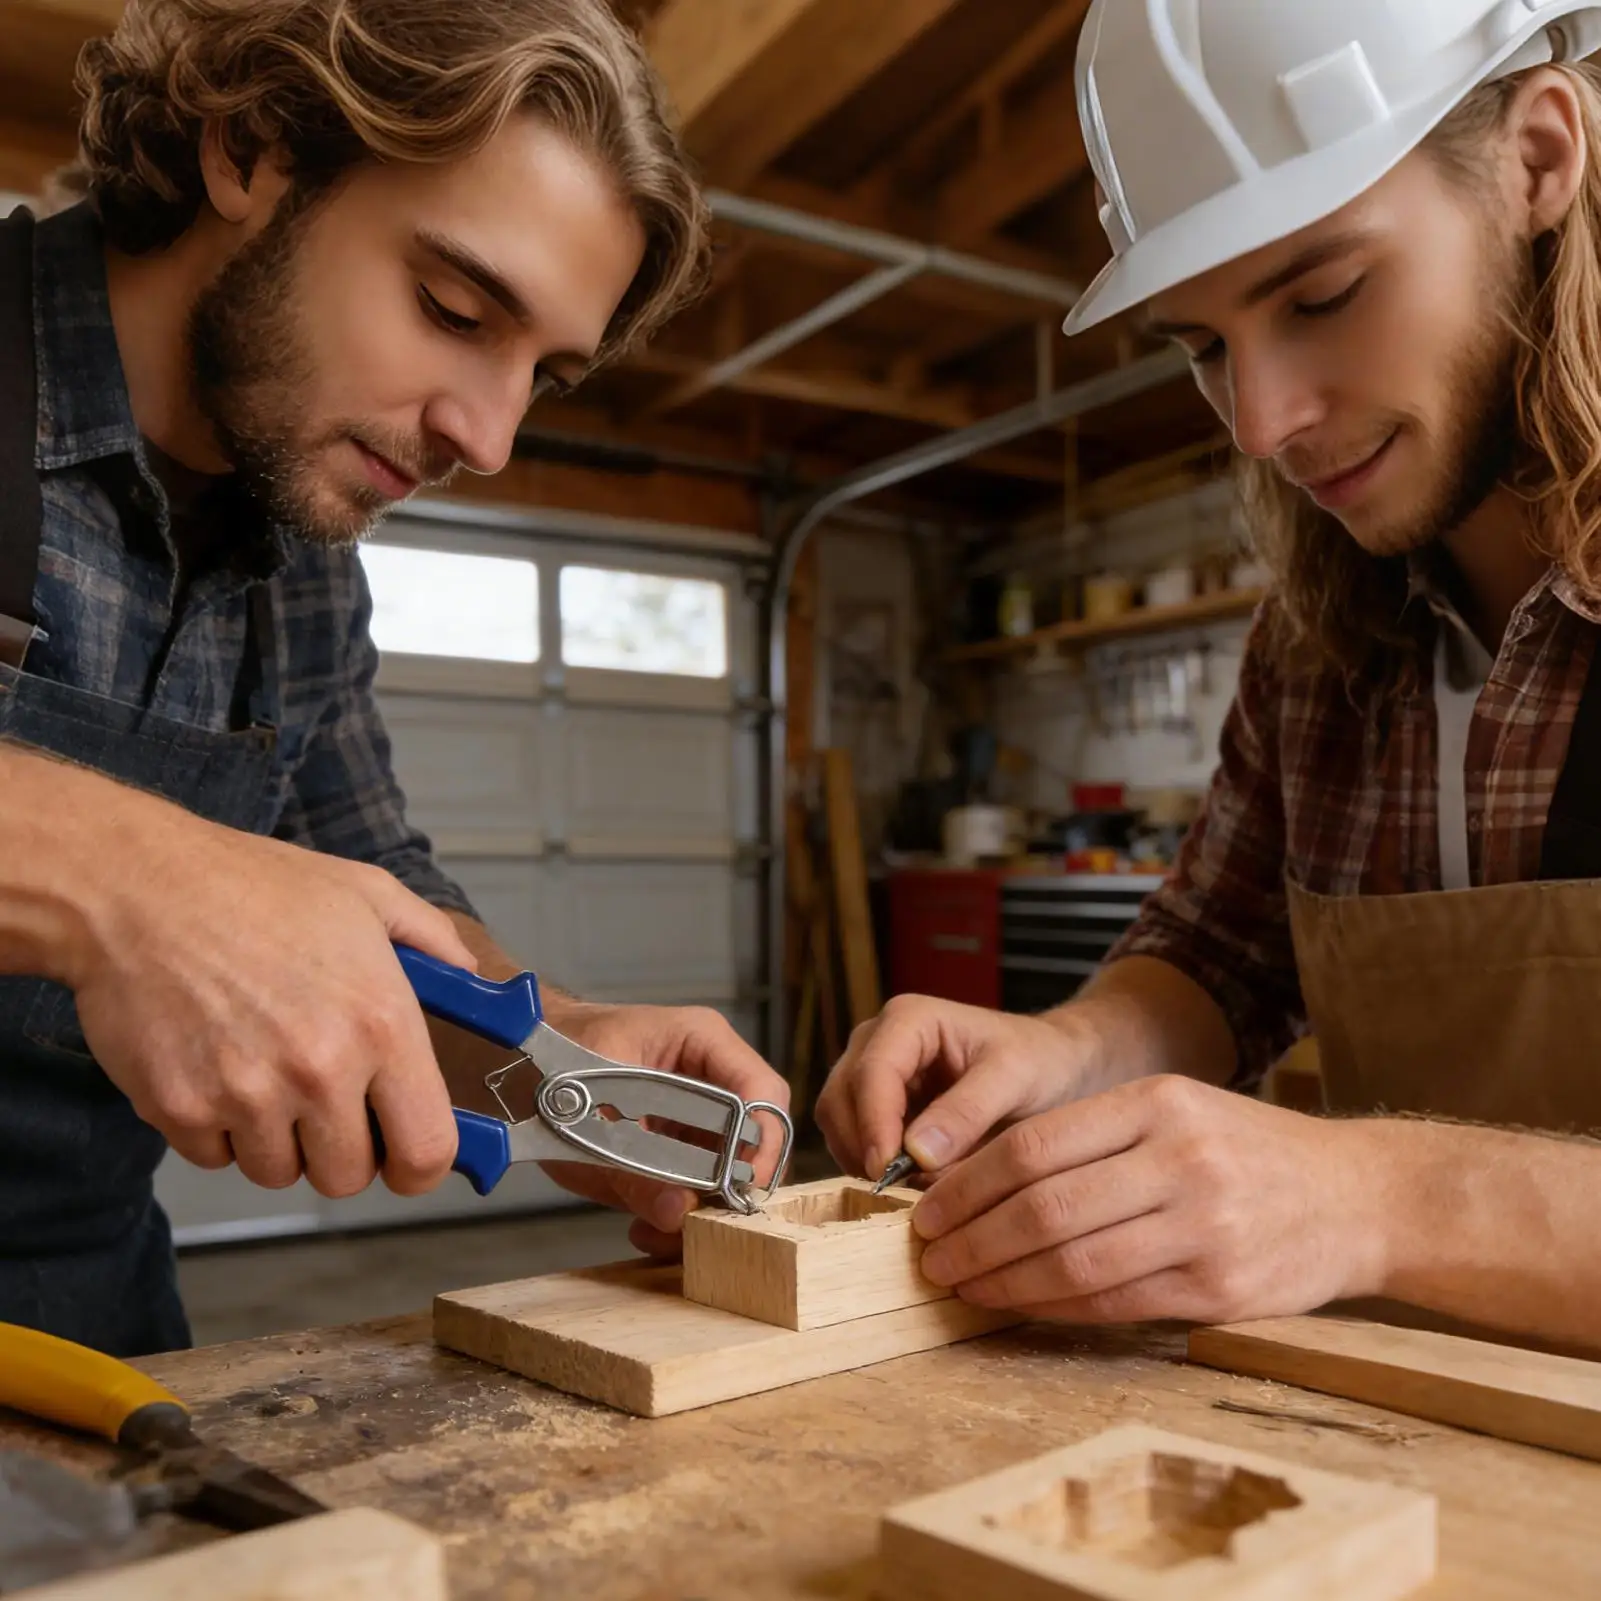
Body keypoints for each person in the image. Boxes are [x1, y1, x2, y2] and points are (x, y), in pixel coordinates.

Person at [0, 0, 786, 1358]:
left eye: (541, 371)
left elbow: (378, 872)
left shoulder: (304, 565)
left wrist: (557, 1058)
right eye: (456, 307)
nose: (486, 435)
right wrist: (126, 880)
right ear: (251, 148)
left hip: (83, 1307)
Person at [819, 1, 1601, 1352]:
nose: (1261, 420)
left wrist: (1373, 1198)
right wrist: (1064, 1049)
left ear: (1538, 160)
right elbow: (1221, 960)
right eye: (1202, 345)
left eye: (1322, 295)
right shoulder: (1318, 648)